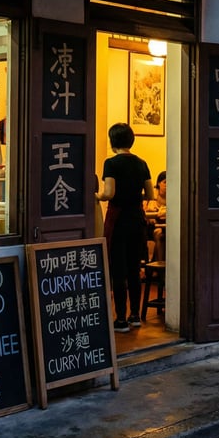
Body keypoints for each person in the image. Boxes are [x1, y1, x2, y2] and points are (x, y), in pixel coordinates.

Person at [97, 123, 154, 333]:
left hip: (118, 218)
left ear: (113, 141)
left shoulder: (111, 163)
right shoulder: (142, 163)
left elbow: (109, 193)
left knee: (117, 270)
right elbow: (150, 195)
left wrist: (96, 196)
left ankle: (120, 319)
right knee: (133, 268)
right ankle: (136, 316)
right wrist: (133, 195)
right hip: (137, 217)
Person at [144, 170, 168, 261]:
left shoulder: (174, 199)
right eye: (165, 182)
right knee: (158, 233)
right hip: (152, 228)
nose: (167, 185)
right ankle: (158, 265)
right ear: (159, 183)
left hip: (169, 228)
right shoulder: (152, 199)